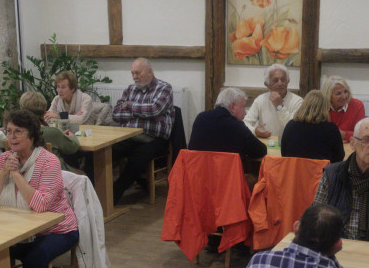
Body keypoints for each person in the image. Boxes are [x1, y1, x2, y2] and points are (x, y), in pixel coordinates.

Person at [0, 110, 79, 268]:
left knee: (34, 260)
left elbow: (41, 205)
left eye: (18, 131)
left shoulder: (48, 161)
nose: (11, 137)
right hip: (17, 230)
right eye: (8, 131)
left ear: (32, 136)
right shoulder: (5, 159)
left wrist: (16, 174)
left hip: (57, 230)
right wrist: (4, 172)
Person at [111, 58, 174, 203]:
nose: (134, 77)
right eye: (132, 73)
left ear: (150, 72)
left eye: (137, 73)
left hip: (154, 138)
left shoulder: (164, 88)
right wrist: (141, 112)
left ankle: (114, 194)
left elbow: (154, 109)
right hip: (130, 136)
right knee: (107, 150)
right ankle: (93, 191)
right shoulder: (130, 89)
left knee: (139, 157)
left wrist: (129, 106)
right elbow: (116, 114)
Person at [187, 87, 268, 160]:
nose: (245, 112)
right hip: (227, 172)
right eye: (243, 107)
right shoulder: (237, 126)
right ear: (232, 106)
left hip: (198, 171)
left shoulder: (200, 118)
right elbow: (261, 151)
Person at [19, 90, 83, 171]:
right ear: (44, 110)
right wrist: (72, 137)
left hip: (25, 174)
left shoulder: (17, 133)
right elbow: (73, 147)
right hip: (55, 174)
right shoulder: (51, 132)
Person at [280, 89, 345, 163]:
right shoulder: (331, 129)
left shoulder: (290, 126)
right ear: (325, 108)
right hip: (322, 170)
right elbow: (339, 157)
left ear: (304, 105)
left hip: (295, 169)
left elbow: (284, 154)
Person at [244, 63, 303, 138]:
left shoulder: (298, 101)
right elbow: (246, 123)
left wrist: (280, 106)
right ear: (267, 84)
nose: (280, 83)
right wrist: (254, 131)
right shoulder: (260, 100)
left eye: (283, 79)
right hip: (265, 143)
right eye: (275, 80)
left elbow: (293, 128)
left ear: (288, 81)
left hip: (289, 144)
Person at [322, 76, 365, 142]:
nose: (344, 97)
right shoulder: (321, 106)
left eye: (345, 91)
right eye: (338, 93)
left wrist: (345, 135)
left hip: (349, 145)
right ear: (329, 95)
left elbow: (362, 135)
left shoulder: (358, 105)